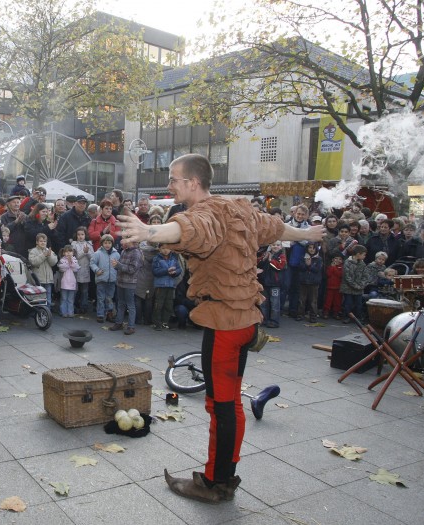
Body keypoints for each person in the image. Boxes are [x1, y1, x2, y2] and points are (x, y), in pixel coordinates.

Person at [116, 153, 324, 503]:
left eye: (173, 179)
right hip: (246, 321)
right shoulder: (238, 208)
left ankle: (215, 484)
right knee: (231, 404)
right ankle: (225, 475)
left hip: (226, 326)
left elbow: (191, 229)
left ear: (193, 183)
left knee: (221, 406)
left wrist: (149, 231)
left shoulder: (207, 213)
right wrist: (306, 233)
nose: (169, 185)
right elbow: (274, 227)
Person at [108, 239, 143, 335]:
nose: (121, 242)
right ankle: (119, 323)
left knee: (130, 305)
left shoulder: (136, 253)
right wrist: (116, 265)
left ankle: (131, 326)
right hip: (120, 282)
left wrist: (118, 265)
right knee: (120, 303)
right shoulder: (123, 251)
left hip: (130, 283)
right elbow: (120, 266)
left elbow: (132, 269)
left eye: (124, 240)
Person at [151, 243, 182, 330]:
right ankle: (157, 323)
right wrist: (166, 271)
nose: (165, 250)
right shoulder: (156, 258)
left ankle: (165, 322)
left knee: (169, 304)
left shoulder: (173, 258)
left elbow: (179, 269)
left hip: (170, 285)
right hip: (160, 285)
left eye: (167, 248)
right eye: (163, 248)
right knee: (158, 304)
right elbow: (155, 271)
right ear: (159, 249)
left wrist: (175, 272)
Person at [90, 234, 120, 323]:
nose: (107, 245)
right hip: (101, 279)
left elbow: (119, 265)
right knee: (101, 297)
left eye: (109, 243)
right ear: (102, 243)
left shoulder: (116, 254)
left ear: (112, 244)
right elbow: (92, 263)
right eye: (105, 243)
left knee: (110, 297)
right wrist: (97, 270)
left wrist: (117, 271)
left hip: (112, 279)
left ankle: (109, 314)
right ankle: (100, 314)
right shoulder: (98, 253)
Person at [340, 245, 372, 323]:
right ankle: (347, 316)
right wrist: (355, 286)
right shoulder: (347, 263)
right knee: (348, 303)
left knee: (358, 304)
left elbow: (366, 276)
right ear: (358, 254)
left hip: (359, 289)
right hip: (348, 288)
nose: (365, 256)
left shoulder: (362, 264)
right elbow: (347, 277)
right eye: (364, 254)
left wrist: (361, 285)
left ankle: (358, 317)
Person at [258, 241, 286, 328]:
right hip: (264, 282)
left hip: (275, 284)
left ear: (281, 247)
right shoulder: (266, 254)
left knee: (275, 303)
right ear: (270, 246)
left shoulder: (282, 256)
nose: (275, 246)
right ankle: (264, 320)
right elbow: (259, 264)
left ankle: (274, 321)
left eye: (278, 245)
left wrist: (270, 260)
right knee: (263, 303)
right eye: (274, 245)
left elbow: (279, 266)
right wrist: (264, 258)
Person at [28, 232, 58, 307]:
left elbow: (54, 262)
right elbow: (34, 262)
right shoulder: (33, 251)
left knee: (48, 298)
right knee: (39, 298)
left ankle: (48, 311)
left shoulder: (49, 251)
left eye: (44, 241)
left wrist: (49, 255)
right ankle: (40, 311)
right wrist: (44, 255)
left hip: (48, 280)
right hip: (38, 280)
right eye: (41, 241)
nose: (43, 243)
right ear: (37, 242)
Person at [298, 242, 323, 322]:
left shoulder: (319, 259)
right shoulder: (303, 257)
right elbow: (300, 267)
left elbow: (317, 270)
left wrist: (309, 265)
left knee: (313, 301)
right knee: (302, 299)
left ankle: (313, 316)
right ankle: (300, 315)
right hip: (303, 281)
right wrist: (306, 265)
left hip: (314, 282)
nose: (312, 249)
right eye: (310, 247)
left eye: (313, 248)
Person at [71, 227, 92, 314]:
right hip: (76, 270)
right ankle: (73, 306)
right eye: (78, 234)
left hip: (85, 269)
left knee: (84, 290)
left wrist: (88, 252)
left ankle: (84, 306)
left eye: (82, 234)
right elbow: (75, 256)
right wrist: (84, 252)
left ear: (85, 235)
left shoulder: (89, 244)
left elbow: (92, 257)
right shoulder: (74, 244)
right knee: (75, 290)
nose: (80, 236)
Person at [57, 245, 79, 317]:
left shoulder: (75, 260)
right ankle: (63, 312)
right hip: (64, 283)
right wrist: (68, 263)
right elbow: (61, 268)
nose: (68, 253)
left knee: (70, 299)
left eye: (70, 251)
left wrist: (71, 262)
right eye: (66, 251)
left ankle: (70, 312)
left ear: (73, 253)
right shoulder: (62, 260)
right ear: (63, 253)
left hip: (72, 283)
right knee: (64, 298)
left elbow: (76, 268)